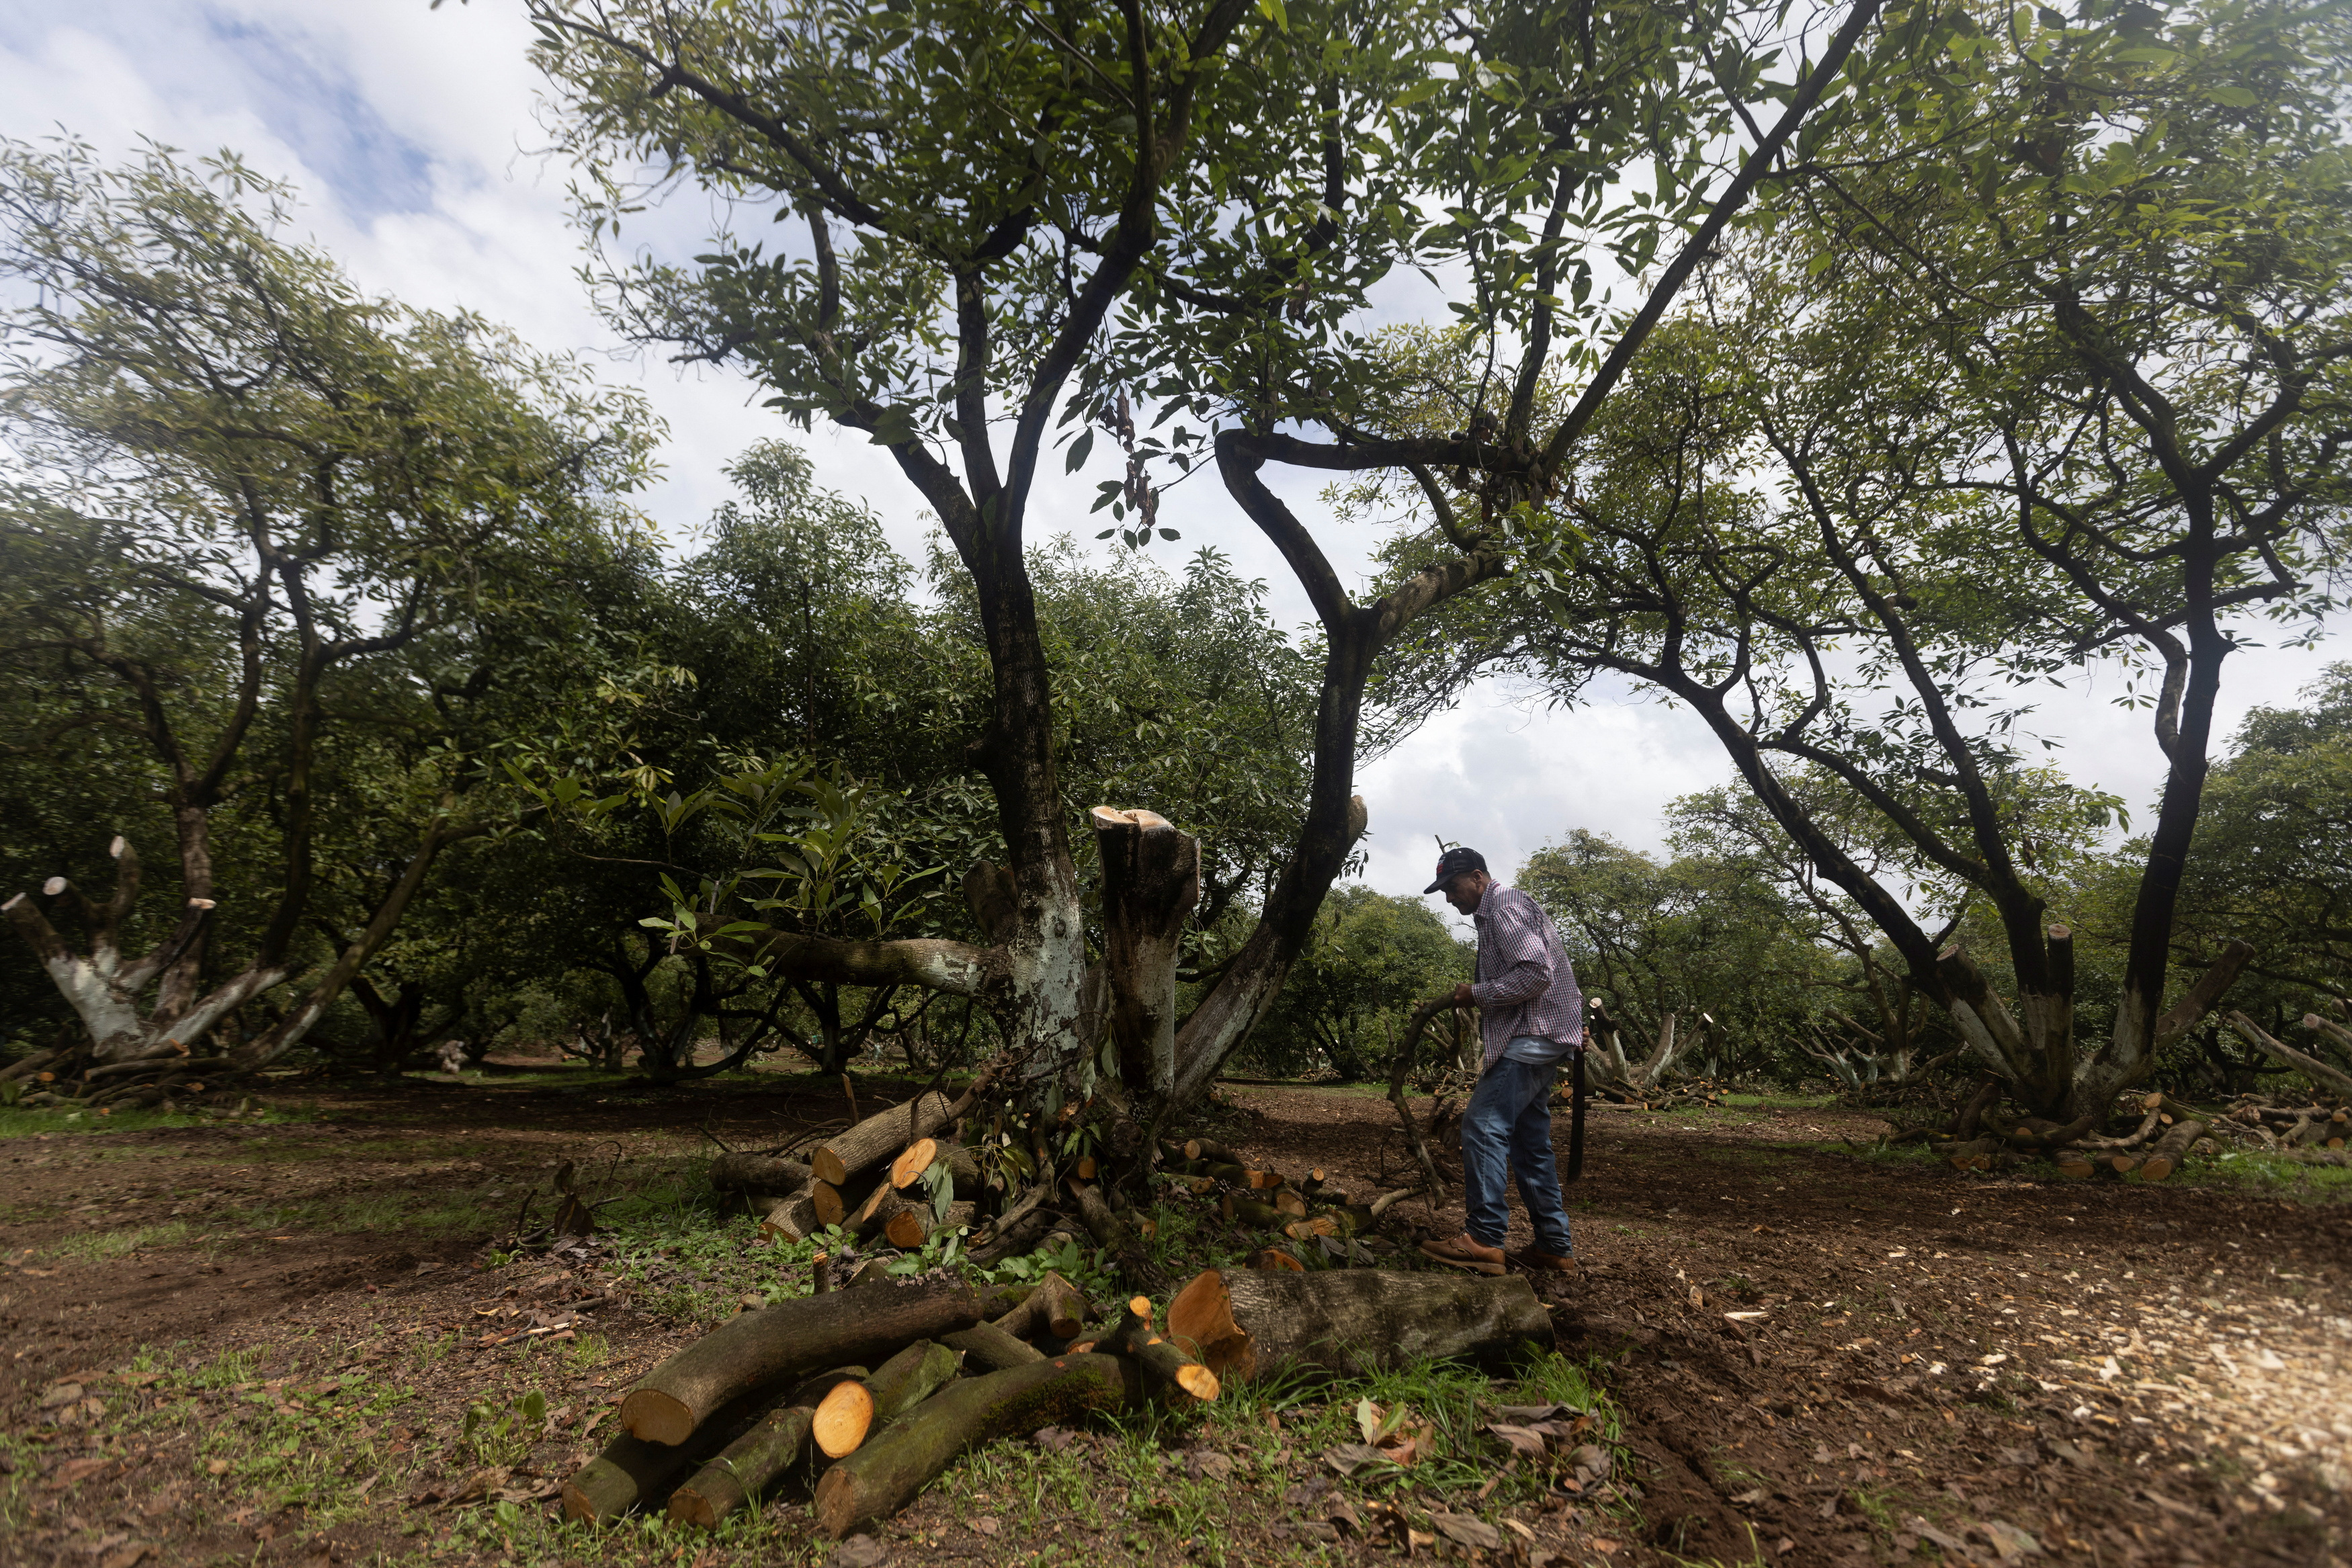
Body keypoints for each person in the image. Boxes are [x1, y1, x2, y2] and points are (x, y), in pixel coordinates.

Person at [1417, 846, 1583, 1277]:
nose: (1450, 899)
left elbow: (1535, 973)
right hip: (1543, 1038)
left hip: (1531, 1037)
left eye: (1452, 888)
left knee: (1483, 1126)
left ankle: (1485, 1239)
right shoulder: (1496, 911)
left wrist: (1476, 993)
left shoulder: (1505, 904)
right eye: (1444, 893)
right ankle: (1554, 1246)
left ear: (1477, 877)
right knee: (1530, 1146)